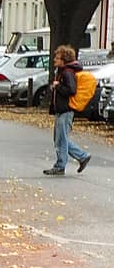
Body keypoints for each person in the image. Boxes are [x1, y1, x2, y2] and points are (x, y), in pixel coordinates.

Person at [44, 44, 93, 175]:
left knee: (61, 139)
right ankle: (82, 156)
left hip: (66, 110)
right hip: (62, 110)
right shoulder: (62, 71)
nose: (54, 59)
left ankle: (60, 166)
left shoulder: (67, 72)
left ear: (64, 60)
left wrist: (58, 86)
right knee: (60, 138)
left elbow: (71, 90)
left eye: (57, 57)